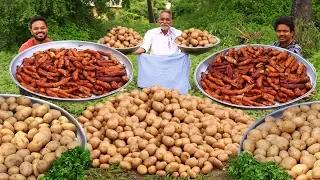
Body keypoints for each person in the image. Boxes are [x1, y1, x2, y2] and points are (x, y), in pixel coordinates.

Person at [133, 10, 190, 94]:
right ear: (158, 21)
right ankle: (149, 84)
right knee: (141, 56)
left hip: (172, 63)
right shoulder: (151, 33)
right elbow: (144, 48)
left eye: (167, 19)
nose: (164, 22)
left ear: (171, 21)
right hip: (155, 63)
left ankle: (177, 85)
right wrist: (129, 51)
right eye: (162, 19)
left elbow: (183, 49)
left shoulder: (178, 33)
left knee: (185, 56)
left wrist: (192, 50)